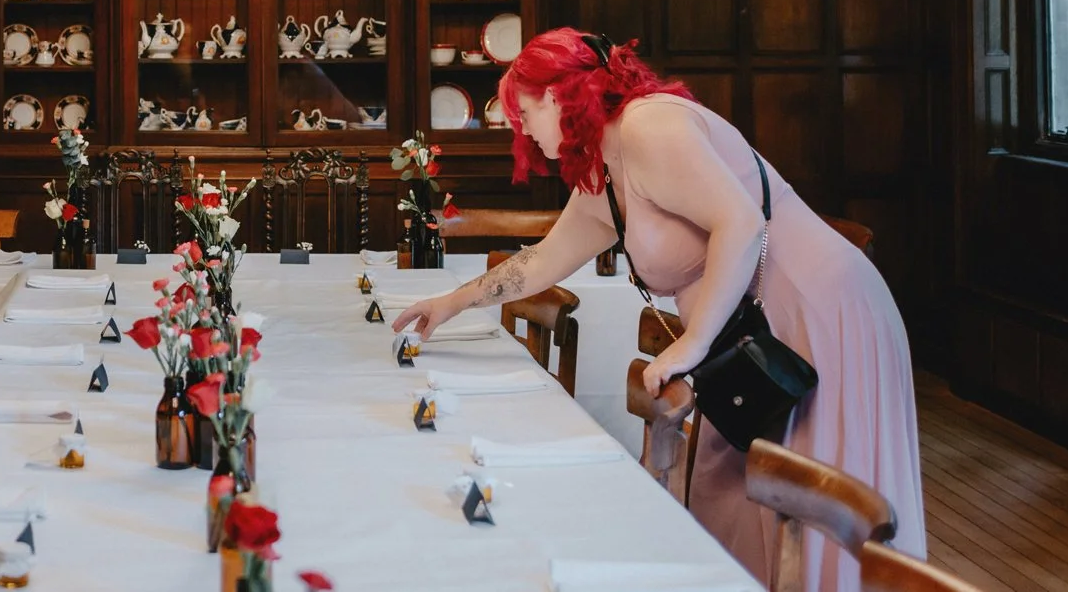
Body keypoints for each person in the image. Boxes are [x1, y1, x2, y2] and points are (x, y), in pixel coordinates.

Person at [393, 29, 924, 592]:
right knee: (734, 496)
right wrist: (452, 302)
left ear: (557, 96)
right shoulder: (603, 166)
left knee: (807, 494)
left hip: (815, 308)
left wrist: (691, 344)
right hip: (748, 331)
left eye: (523, 111)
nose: (519, 127)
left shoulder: (650, 126)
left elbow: (741, 224)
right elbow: (545, 260)